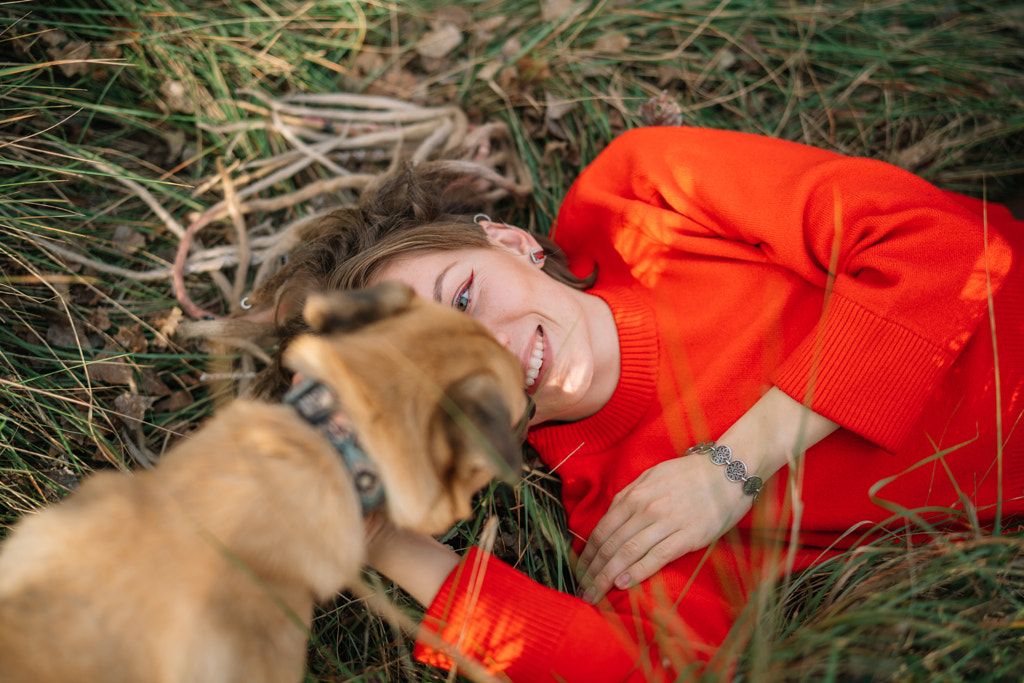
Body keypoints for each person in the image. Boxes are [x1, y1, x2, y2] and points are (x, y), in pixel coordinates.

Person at [249, 126, 1024, 681]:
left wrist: (729, 470)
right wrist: (392, 548)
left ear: (508, 241)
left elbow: (948, 248)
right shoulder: (626, 507)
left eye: (464, 296)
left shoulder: (638, 193)